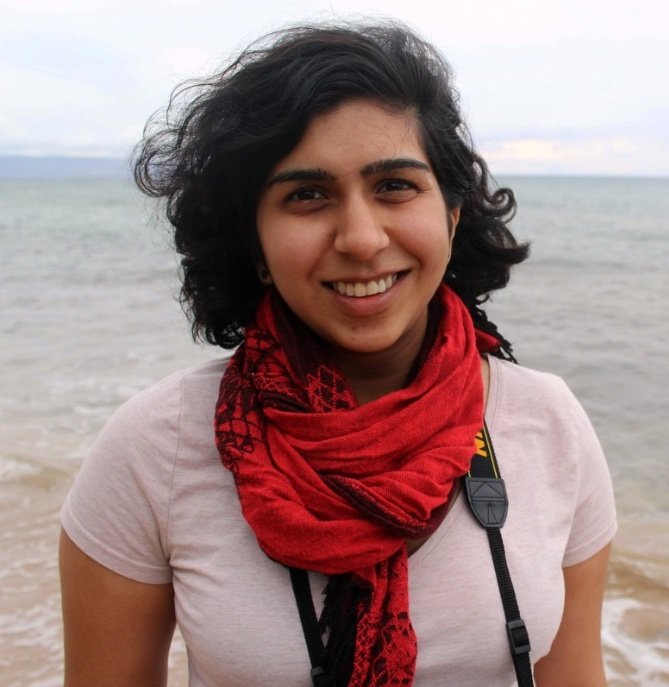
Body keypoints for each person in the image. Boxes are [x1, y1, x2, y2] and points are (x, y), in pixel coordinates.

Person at [59, 22, 617, 687]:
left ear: (451, 215)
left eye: (395, 186)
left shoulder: (547, 422)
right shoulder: (156, 447)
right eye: (306, 195)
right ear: (254, 241)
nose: (359, 237)